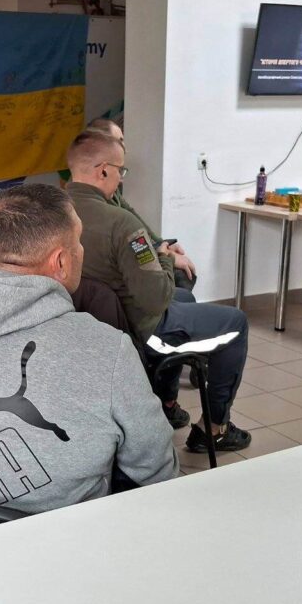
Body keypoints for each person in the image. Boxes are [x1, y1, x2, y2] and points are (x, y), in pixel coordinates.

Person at [0, 183, 177, 513]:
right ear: (61, 262)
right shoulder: (108, 348)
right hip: (51, 541)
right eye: (78, 242)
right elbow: (156, 471)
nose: (81, 250)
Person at [66, 130, 251, 452]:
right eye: (121, 171)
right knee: (236, 322)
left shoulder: (54, 215)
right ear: (104, 171)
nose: (121, 179)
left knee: (186, 298)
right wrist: (164, 257)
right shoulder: (122, 225)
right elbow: (155, 299)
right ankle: (215, 429)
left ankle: (165, 405)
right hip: (139, 331)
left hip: (88, 325)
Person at [86, 117, 197, 296]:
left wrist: (163, 245)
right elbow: (131, 243)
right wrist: (166, 256)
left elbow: (135, 221)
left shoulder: (111, 193)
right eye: (119, 141)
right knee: (181, 278)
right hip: (124, 281)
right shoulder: (97, 204)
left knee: (182, 278)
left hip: (133, 265)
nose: (125, 148)